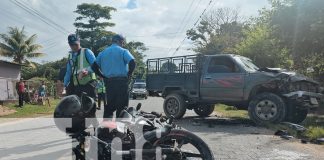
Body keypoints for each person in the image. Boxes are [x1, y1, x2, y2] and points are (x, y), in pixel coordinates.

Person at [92, 34, 136, 118]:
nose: (123, 45)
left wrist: (102, 75)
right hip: (121, 83)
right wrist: (129, 74)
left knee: (109, 108)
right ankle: (119, 129)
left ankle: (106, 129)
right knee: (122, 109)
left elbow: (94, 66)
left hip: (109, 83)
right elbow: (132, 62)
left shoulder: (103, 53)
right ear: (121, 41)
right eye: (123, 43)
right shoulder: (123, 51)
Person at [63, 34, 97, 99]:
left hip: (89, 84)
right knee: (75, 107)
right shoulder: (70, 56)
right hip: (77, 86)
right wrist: (64, 85)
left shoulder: (87, 52)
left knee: (89, 107)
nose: (74, 47)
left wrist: (87, 71)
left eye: (76, 44)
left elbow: (96, 66)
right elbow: (68, 72)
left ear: (79, 42)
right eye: (71, 45)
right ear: (69, 44)